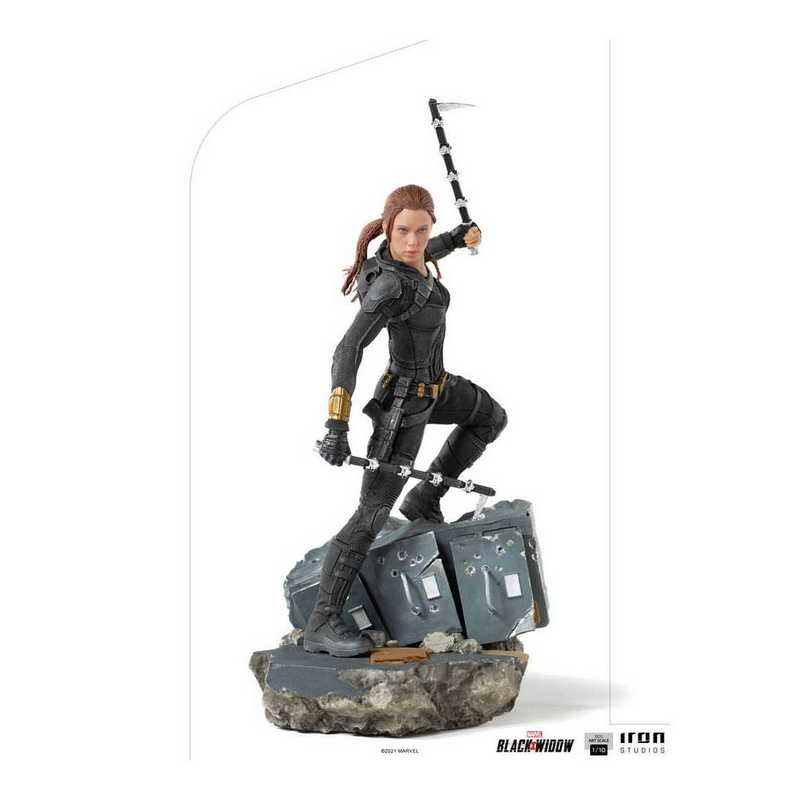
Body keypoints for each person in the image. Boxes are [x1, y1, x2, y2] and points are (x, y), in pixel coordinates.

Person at [303, 185, 507, 657]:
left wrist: (455, 240)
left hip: (439, 388)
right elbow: (347, 349)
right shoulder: (389, 286)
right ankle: (322, 621)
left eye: (423, 230)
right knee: (372, 514)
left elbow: (423, 254)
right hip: (403, 407)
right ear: (386, 228)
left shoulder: (415, 260)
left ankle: (425, 498)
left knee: (490, 418)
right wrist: (337, 425)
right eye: (403, 231)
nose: (413, 242)